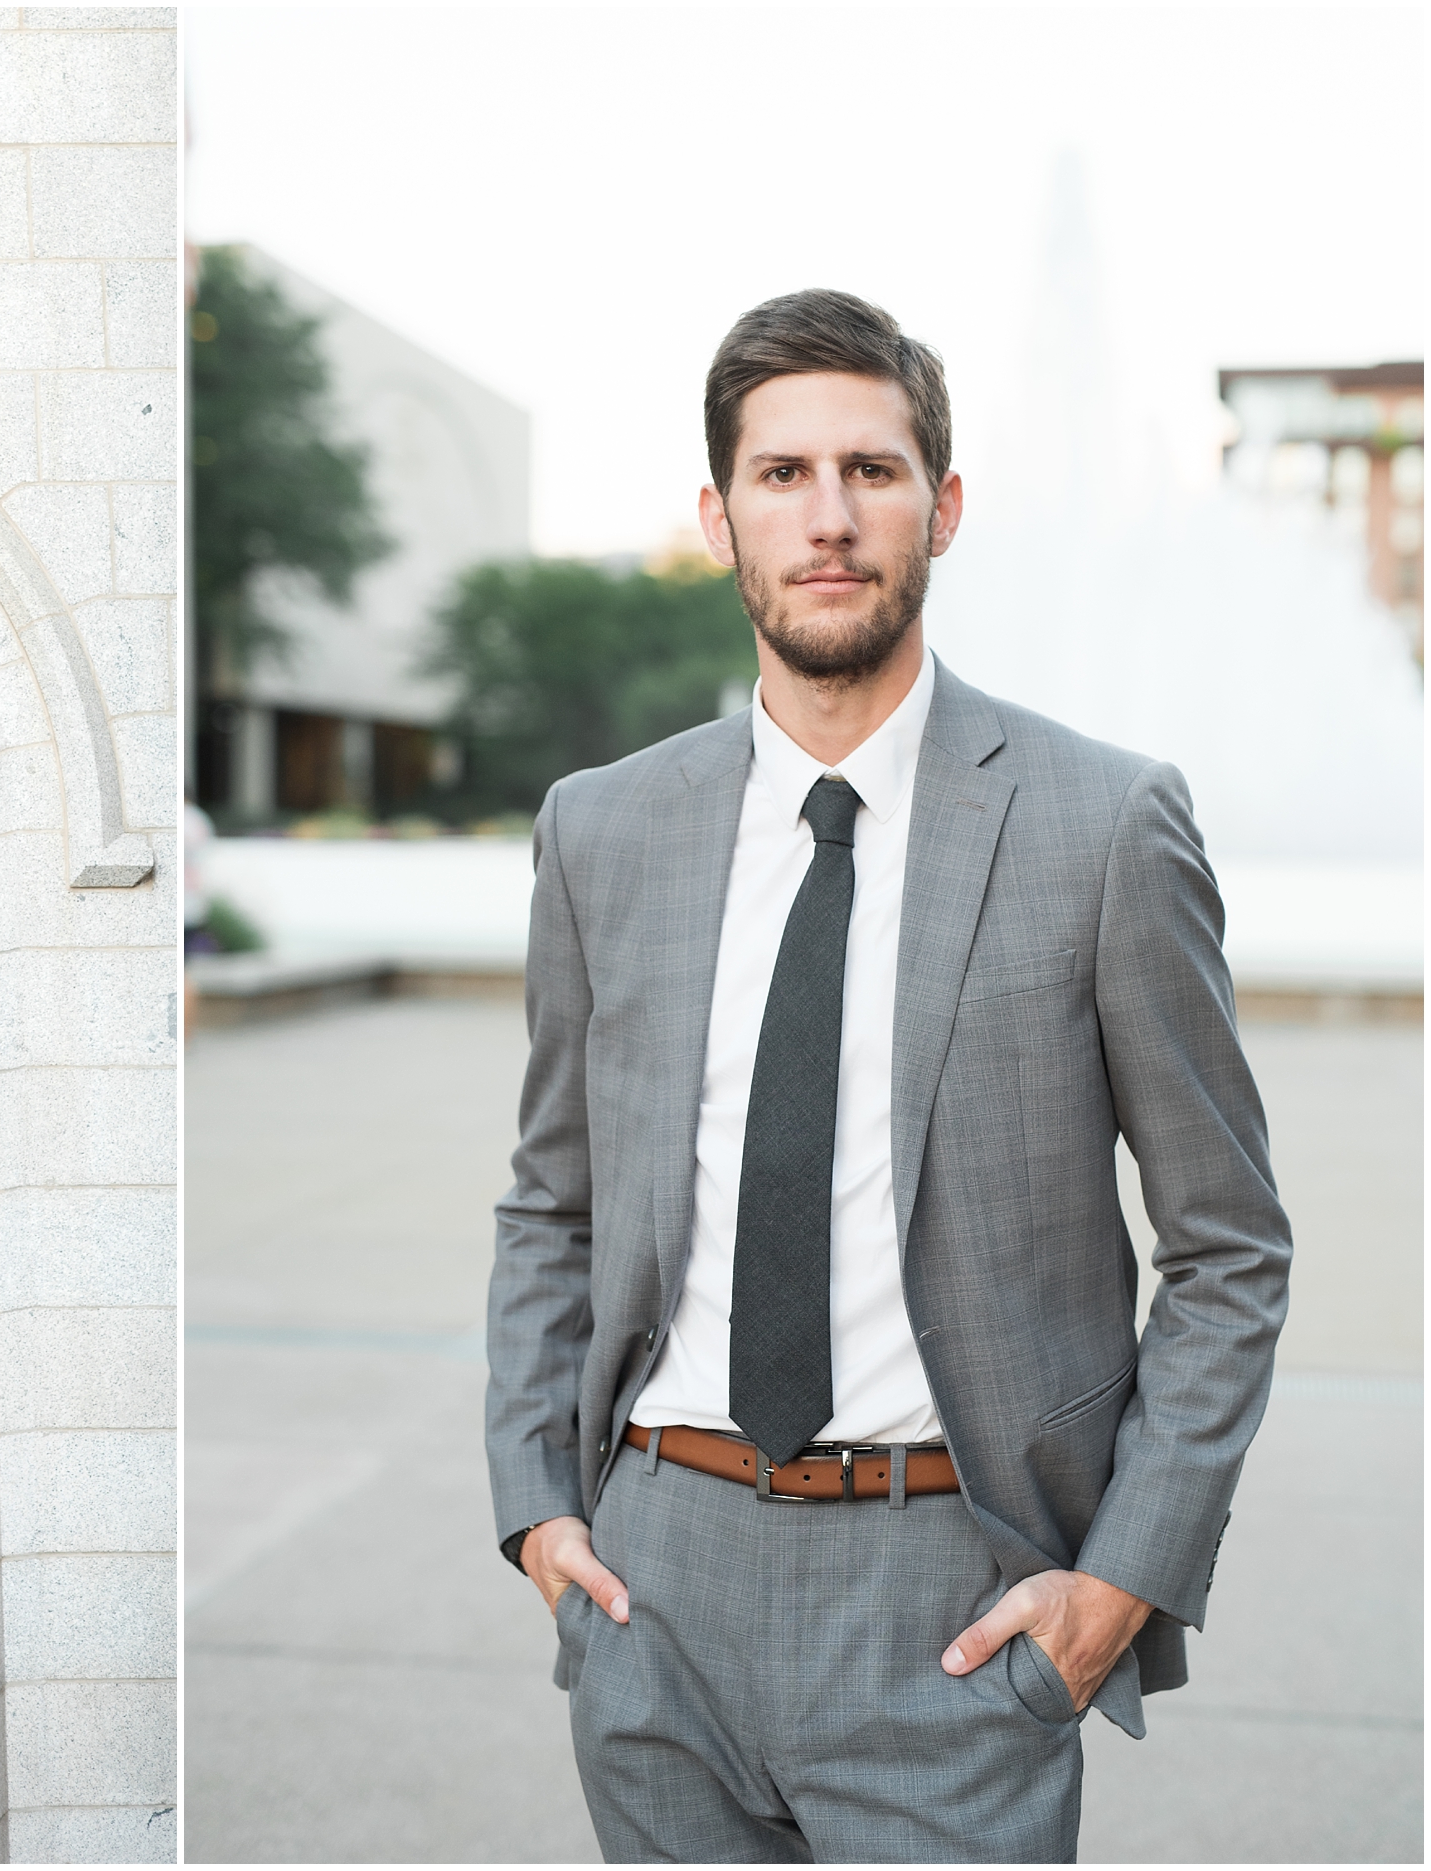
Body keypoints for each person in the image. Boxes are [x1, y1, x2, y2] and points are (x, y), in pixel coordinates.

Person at [484, 288, 1291, 1863]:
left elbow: (1227, 1247)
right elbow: (551, 1195)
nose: (831, 517)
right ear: (718, 517)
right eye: (783, 475)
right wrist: (537, 1502)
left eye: (874, 468)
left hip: (954, 1596)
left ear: (947, 503)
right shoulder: (605, 827)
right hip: (656, 1576)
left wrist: (1116, 1583)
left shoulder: (1103, 823)